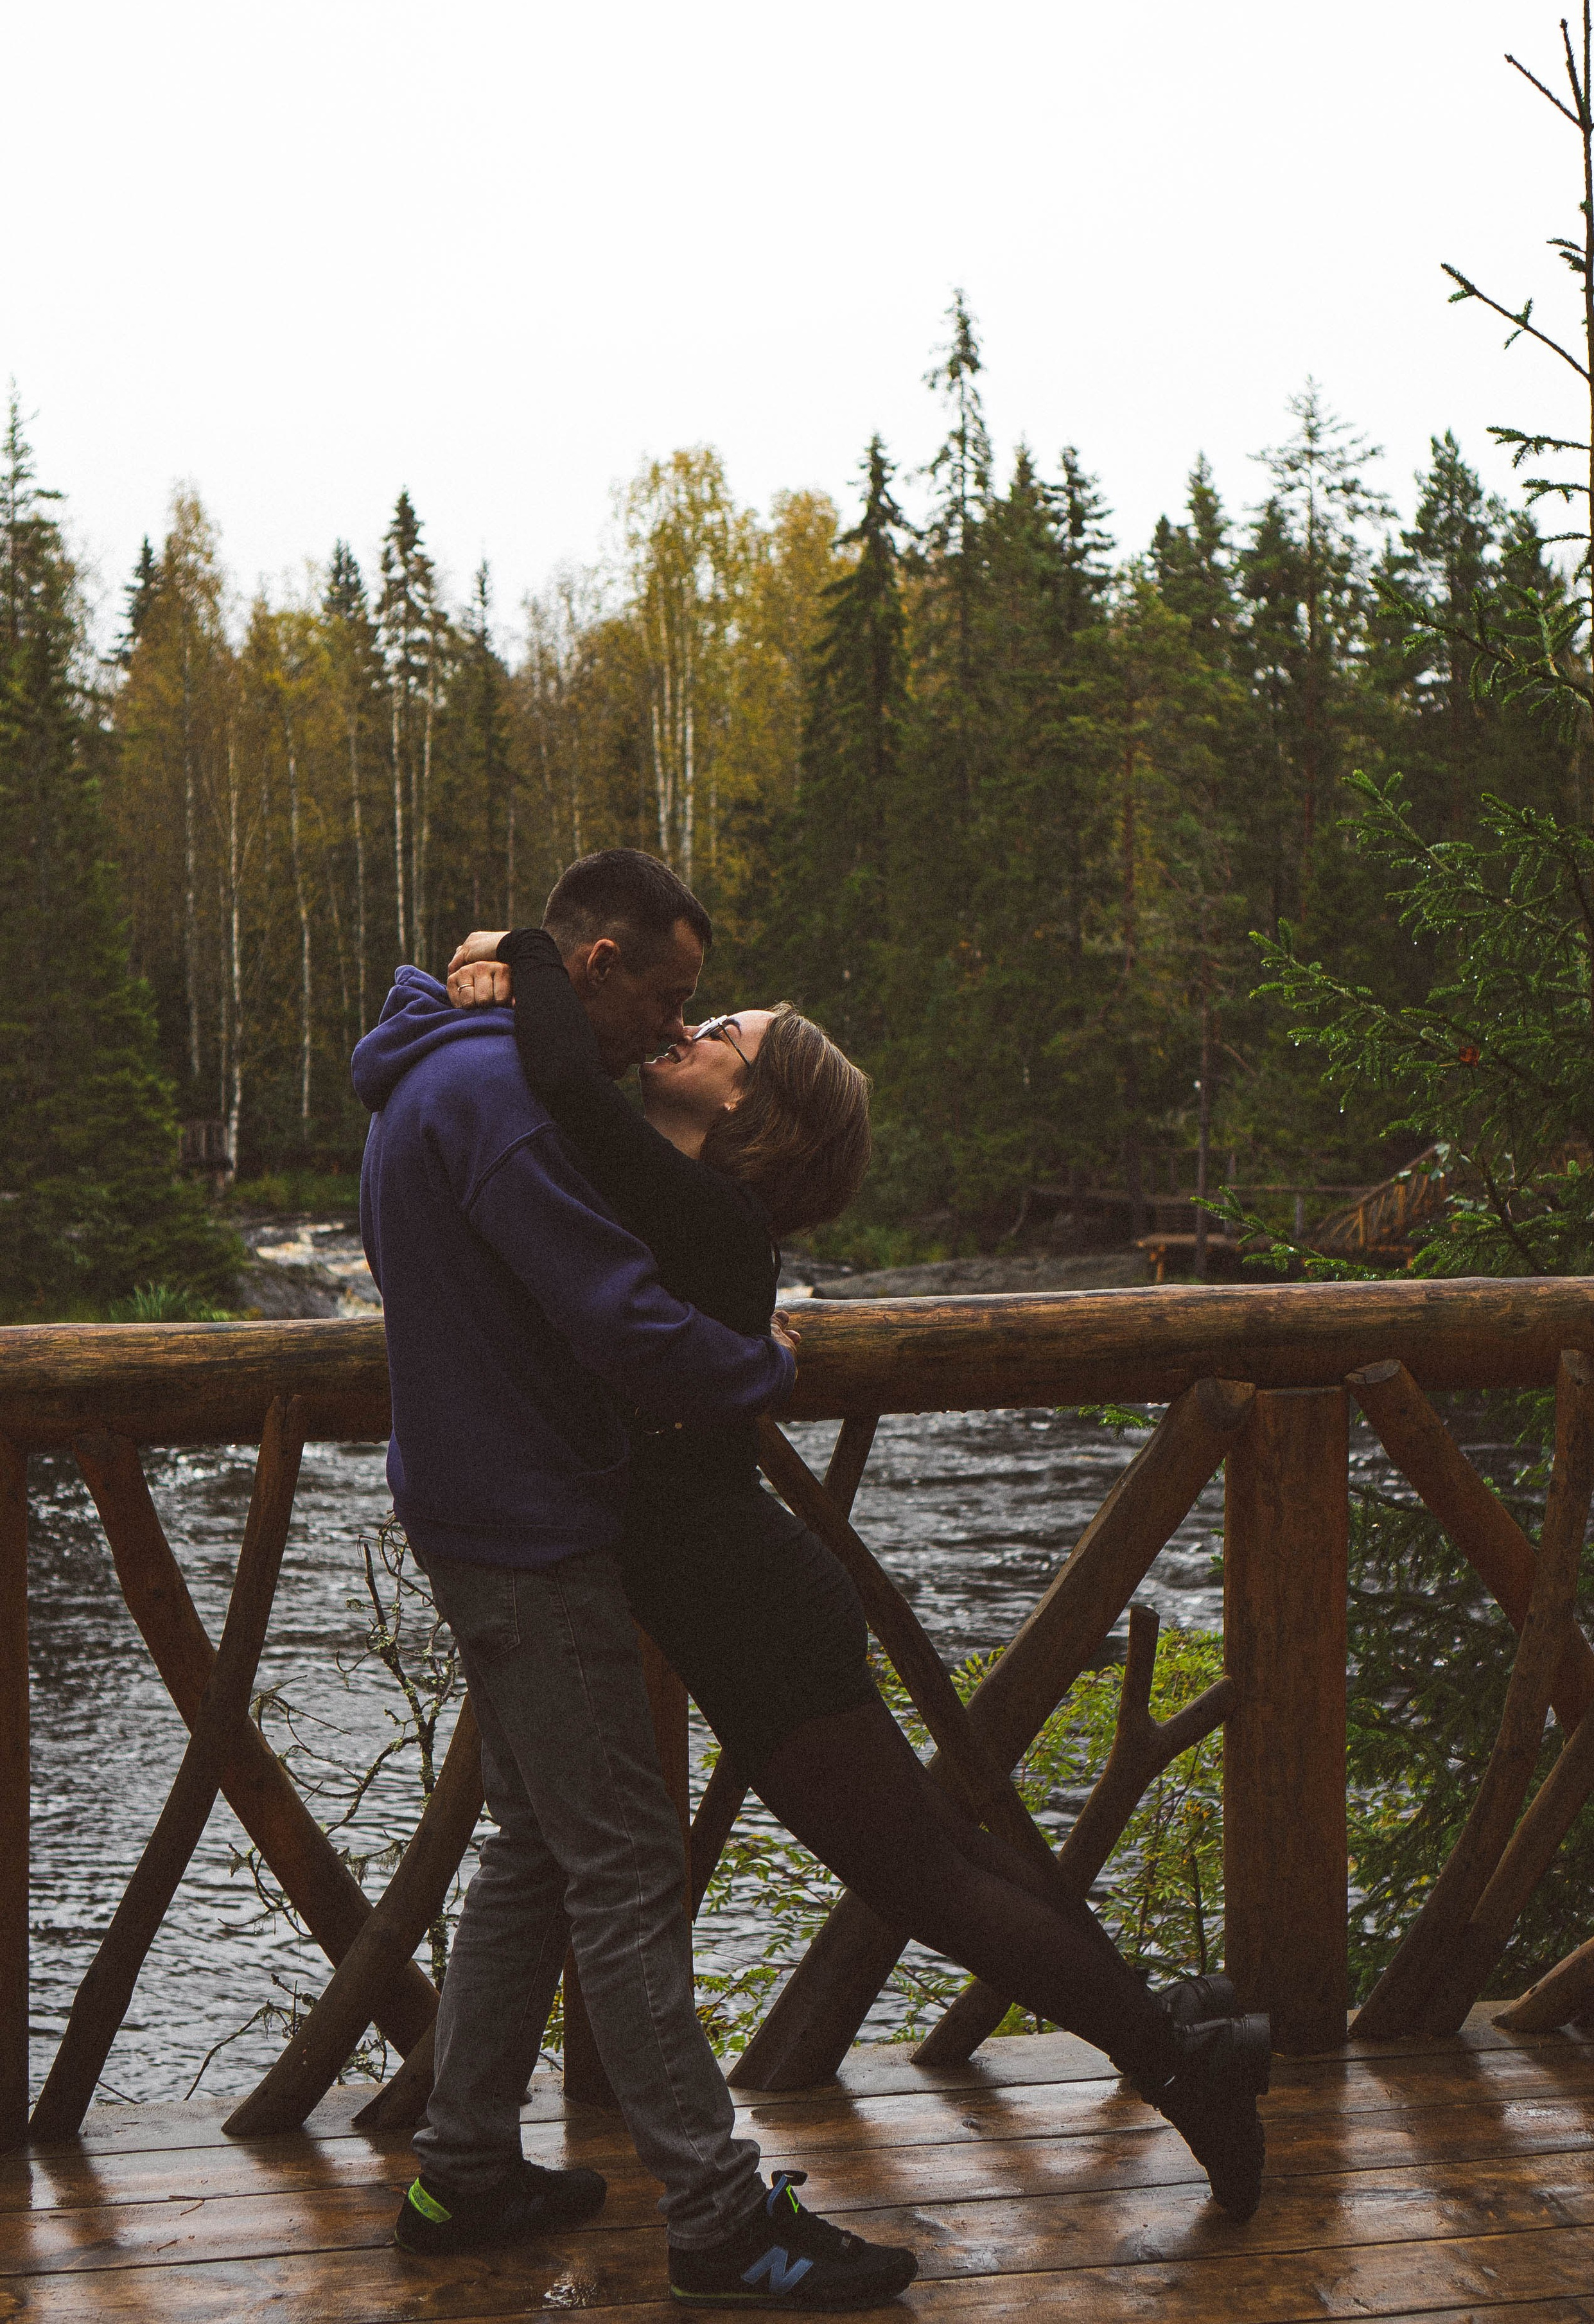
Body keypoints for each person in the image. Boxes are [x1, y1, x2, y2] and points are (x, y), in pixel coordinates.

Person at [444, 901, 1272, 2226]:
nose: (683, 1028)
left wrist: (525, 945)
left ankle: (1181, 2065)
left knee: (924, 1876)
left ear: (752, 1107)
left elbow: (555, 1073)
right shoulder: (678, 1209)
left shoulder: (701, 1211)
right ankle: (1178, 2031)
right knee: (937, 1856)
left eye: (720, 1032)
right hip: (743, 1593)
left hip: (748, 1607)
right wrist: (487, 967)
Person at [355, 847, 918, 2311]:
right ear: (595, 966)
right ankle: (719, 2218)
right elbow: (618, 1318)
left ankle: (463, 2167)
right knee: (622, 1870)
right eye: (668, 995)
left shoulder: (446, 1063)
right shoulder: (500, 1107)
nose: (677, 1026)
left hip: (473, 1505)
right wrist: (760, 1363)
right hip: (532, 1530)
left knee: (538, 1848)